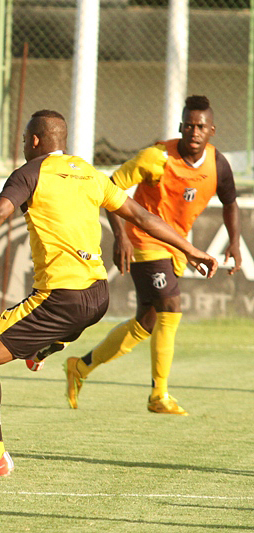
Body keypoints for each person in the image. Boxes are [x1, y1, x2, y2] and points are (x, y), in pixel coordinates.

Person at [0, 110, 217, 476]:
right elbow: (142, 217)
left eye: (25, 139)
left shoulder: (30, 173)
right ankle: (41, 348)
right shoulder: (88, 172)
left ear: (35, 140)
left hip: (60, 299)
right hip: (98, 298)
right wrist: (190, 250)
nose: (24, 145)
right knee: (52, 323)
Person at [64, 95, 240, 416]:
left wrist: (235, 243)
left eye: (201, 127)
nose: (194, 132)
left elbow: (230, 202)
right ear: (181, 127)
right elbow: (110, 187)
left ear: (211, 130)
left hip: (175, 246)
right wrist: (121, 237)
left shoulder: (218, 165)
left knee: (145, 323)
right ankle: (159, 395)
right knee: (170, 306)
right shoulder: (156, 157)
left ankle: (80, 367)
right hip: (143, 239)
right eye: (189, 126)